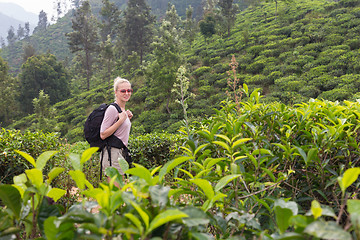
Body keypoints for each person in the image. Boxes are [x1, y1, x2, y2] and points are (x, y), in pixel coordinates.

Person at [100, 77, 133, 181]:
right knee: (115, 193)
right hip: (112, 154)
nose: (126, 93)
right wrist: (121, 120)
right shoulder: (112, 109)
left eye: (129, 90)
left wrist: (126, 119)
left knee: (119, 192)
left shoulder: (122, 110)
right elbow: (103, 134)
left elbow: (119, 131)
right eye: (123, 91)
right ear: (116, 92)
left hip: (119, 152)